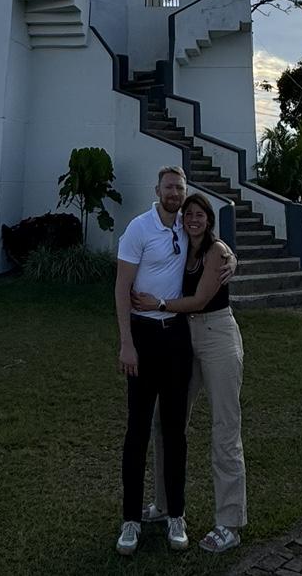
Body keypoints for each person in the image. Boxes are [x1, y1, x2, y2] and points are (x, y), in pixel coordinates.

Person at [133, 193, 246, 555]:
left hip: (216, 336)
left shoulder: (217, 251)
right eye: (189, 214)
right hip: (183, 338)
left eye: (200, 215)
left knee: (224, 428)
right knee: (167, 421)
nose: (193, 220)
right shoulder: (180, 244)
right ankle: (165, 504)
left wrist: (159, 304)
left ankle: (229, 522)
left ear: (209, 220)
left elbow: (199, 300)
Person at [114, 166, 194, 556]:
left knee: (176, 430)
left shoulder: (188, 227)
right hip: (144, 334)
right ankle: (131, 519)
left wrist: (232, 262)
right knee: (138, 430)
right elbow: (121, 287)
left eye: (179, 187)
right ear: (157, 190)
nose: (174, 193)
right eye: (169, 187)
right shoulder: (139, 228)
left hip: (176, 335)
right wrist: (126, 343)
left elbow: (216, 250)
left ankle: (175, 512)